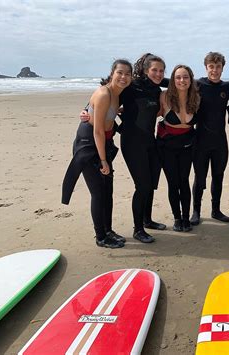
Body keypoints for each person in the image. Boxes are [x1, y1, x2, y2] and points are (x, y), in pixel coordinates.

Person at [79, 53, 169, 244]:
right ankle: (138, 229)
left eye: (161, 71)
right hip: (132, 143)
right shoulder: (131, 87)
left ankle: (148, 219)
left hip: (149, 142)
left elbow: (177, 82)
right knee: (142, 185)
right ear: (145, 70)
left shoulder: (157, 89)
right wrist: (87, 110)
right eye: (154, 70)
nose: (158, 74)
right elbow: (105, 100)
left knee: (151, 183)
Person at [62, 59, 132, 248]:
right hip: (89, 145)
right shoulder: (104, 94)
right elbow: (97, 131)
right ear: (112, 73)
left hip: (104, 142)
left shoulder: (119, 94)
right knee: (98, 193)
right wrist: (103, 160)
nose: (123, 77)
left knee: (107, 190)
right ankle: (100, 236)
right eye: (120, 72)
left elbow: (92, 111)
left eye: (127, 74)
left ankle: (108, 230)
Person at [190, 52, 229, 226]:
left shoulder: (227, 88)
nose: (215, 70)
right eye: (211, 66)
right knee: (199, 177)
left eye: (218, 67)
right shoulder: (197, 85)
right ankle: (196, 211)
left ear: (222, 68)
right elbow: (173, 84)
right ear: (206, 67)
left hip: (220, 141)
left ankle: (216, 210)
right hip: (200, 140)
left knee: (218, 176)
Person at [157, 64, 200, 232]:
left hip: (187, 145)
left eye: (186, 77)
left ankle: (186, 218)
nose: (182, 80)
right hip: (167, 146)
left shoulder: (197, 98)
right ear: (173, 80)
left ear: (191, 79)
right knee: (173, 182)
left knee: (184, 181)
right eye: (178, 77)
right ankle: (176, 218)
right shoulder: (164, 97)